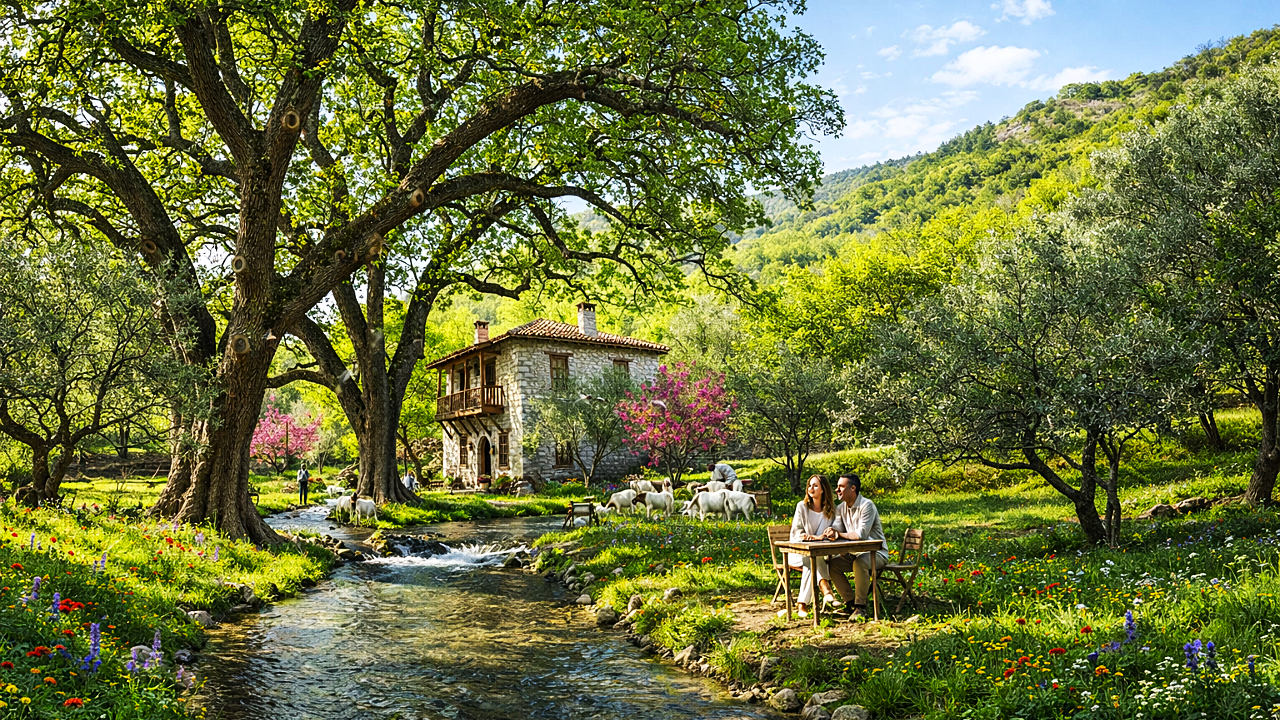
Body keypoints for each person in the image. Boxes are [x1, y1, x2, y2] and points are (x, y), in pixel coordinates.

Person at [824, 472, 888, 618]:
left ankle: (861, 607)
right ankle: (850, 602)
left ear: (853, 488)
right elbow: (837, 529)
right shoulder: (841, 508)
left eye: (841, 486)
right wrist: (831, 531)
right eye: (837, 486)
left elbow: (860, 535)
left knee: (860, 563)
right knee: (832, 565)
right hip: (855, 554)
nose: (837, 490)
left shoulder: (867, 505)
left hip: (876, 554)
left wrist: (839, 535)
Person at [788, 474, 839, 617]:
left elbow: (836, 529)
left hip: (823, 554)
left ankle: (802, 604)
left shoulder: (830, 509)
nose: (811, 488)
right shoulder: (802, 507)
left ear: (823, 490)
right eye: (809, 485)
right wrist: (811, 537)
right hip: (798, 552)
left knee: (814, 559)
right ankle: (826, 589)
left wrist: (832, 533)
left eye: (815, 485)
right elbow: (796, 532)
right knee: (810, 559)